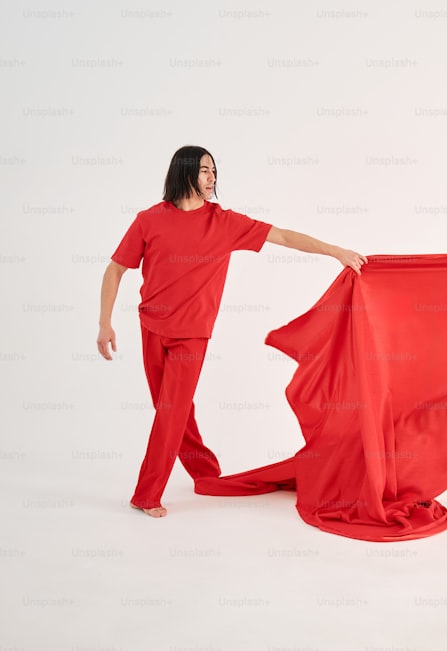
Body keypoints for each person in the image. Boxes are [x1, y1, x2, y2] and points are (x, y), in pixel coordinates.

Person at [97, 145, 367, 518]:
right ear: (185, 173)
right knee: (173, 411)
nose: (212, 178)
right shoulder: (148, 220)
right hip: (151, 328)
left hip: (191, 336)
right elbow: (115, 269)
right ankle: (205, 474)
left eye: (214, 172)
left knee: (170, 412)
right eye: (205, 171)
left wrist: (335, 251)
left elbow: (284, 237)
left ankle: (146, 493)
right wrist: (104, 323)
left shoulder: (224, 223)